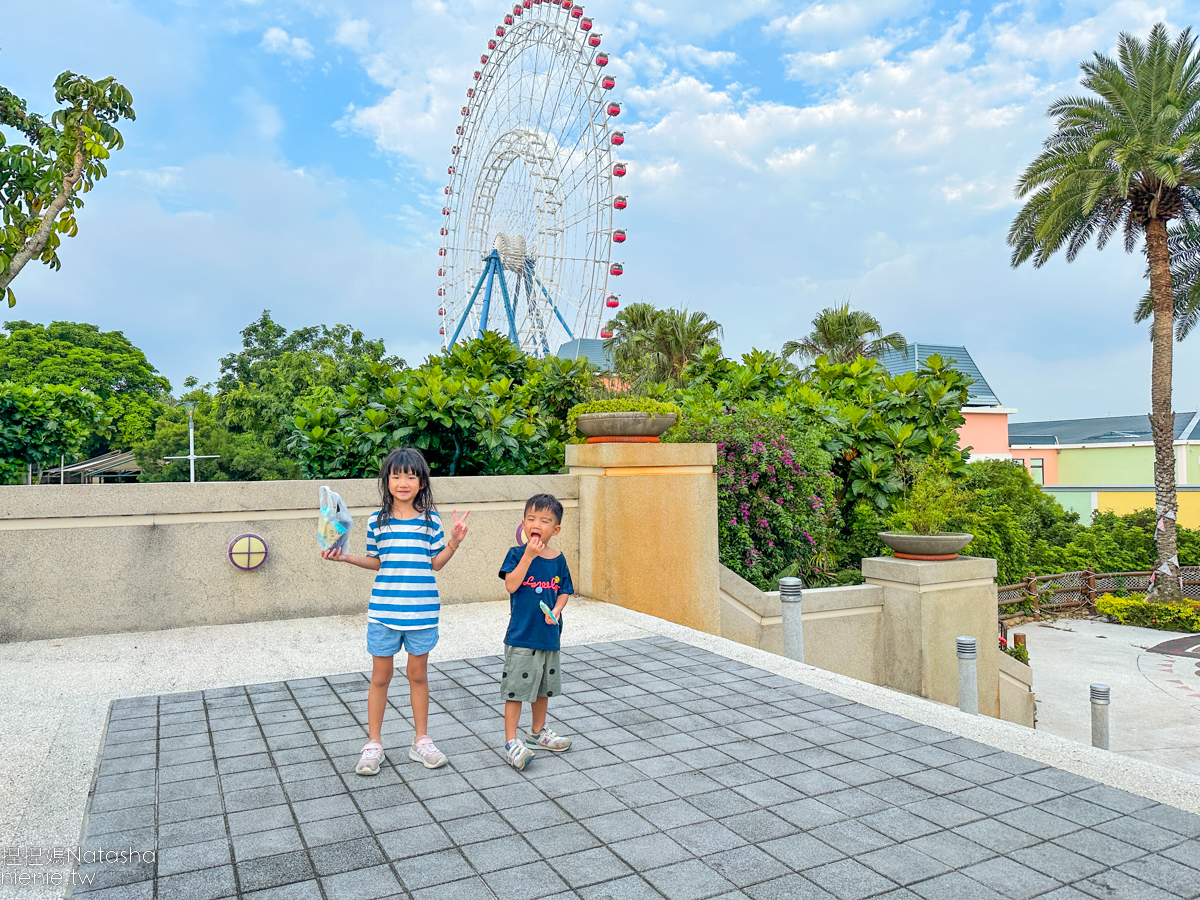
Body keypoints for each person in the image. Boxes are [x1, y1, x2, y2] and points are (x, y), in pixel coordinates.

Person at [321, 447, 469, 775]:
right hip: (384, 612)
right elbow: (377, 561)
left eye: (411, 476)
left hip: (422, 612)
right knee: (380, 678)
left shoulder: (431, 521)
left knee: (418, 675)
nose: (403, 482)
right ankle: (373, 745)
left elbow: (436, 564)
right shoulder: (377, 520)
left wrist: (454, 542)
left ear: (421, 483)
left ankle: (421, 741)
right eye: (396, 475)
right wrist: (346, 557)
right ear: (386, 480)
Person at [498, 493, 574, 770]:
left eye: (544, 520)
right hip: (522, 635)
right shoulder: (517, 554)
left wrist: (557, 611)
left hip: (549, 636)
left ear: (556, 529)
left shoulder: (558, 559)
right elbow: (511, 585)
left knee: (543, 688)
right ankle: (510, 741)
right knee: (516, 690)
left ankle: (537, 732)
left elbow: (565, 590)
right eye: (531, 518)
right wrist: (529, 556)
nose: (536, 524)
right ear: (523, 523)